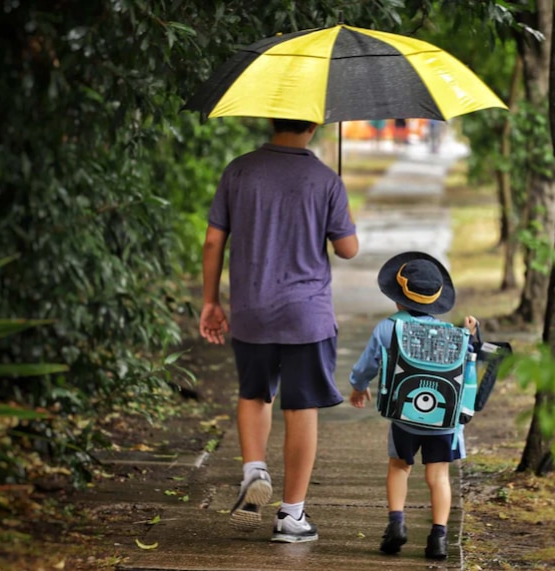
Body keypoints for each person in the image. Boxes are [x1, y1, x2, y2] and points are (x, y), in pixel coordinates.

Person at [199, 118, 359, 544]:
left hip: (252, 310)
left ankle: (254, 468)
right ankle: (291, 516)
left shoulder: (239, 170)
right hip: (307, 315)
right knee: (301, 406)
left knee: (254, 393)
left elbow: (214, 241)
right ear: (314, 123)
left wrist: (211, 301)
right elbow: (347, 249)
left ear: (272, 118)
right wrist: (344, 216)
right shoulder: (326, 179)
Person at [348, 251, 478, 560]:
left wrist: (358, 387)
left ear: (397, 299)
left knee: (399, 467)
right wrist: (470, 334)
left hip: (404, 417)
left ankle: (396, 525)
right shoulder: (453, 334)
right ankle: (439, 538)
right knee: (438, 477)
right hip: (444, 421)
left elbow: (366, 366)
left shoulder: (387, 328)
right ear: (436, 301)